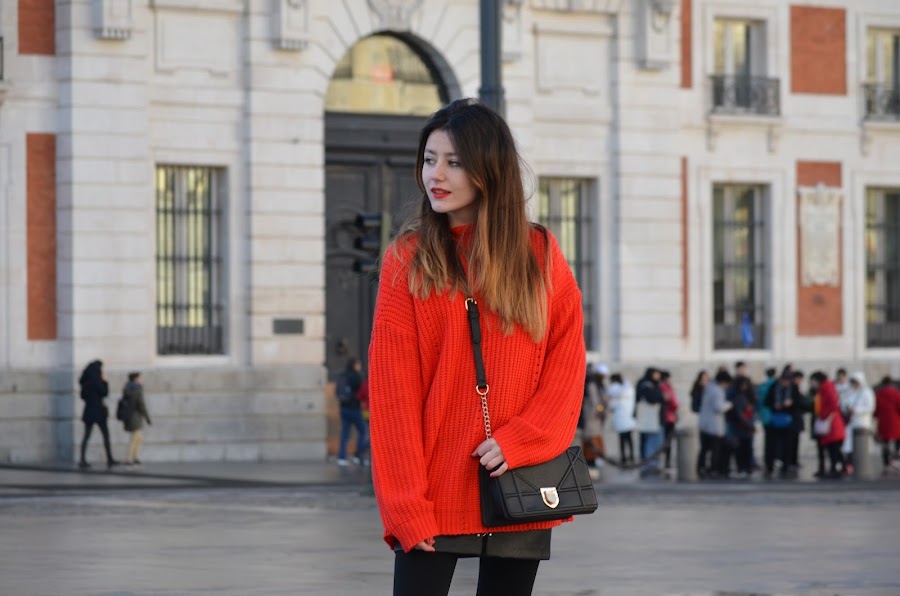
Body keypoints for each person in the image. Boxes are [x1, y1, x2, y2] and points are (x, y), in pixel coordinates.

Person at [367, 98, 587, 596]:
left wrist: (524, 439)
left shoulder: (539, 254)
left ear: (488, 170)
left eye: (454, 162)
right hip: (433, 496)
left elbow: (567, 364)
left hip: (520, 485)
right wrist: (404, 505)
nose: (436, 175)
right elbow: (393, 396)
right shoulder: (407, 260)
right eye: (429, 160)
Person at [78, 360, 118, 469]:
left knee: (86, 436)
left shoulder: (85, 382)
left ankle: (82, 459)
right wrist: (105, 381)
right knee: (105, 435)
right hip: (99, 411)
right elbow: (104, 393)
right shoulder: (97, 381)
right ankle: (109, 458)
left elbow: (82, 396)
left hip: (88, 411)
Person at [810, 371, 846, 479]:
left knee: (833, 448)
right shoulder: (824, 389)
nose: (811, 384)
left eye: (812, 381)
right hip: (829, 422)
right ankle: (836, 468)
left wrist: (824, 416)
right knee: (831, 448)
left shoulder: (827, 388)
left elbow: (833, 405)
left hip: (831, 423)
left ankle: (836, 468)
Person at [697, 370, 732, 478]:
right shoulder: (718, 391)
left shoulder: (708, 388)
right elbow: (719, 407)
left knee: (704, 448)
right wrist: (729, 405)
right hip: (714, 425)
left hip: (704, 424)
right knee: (715, 449)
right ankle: (713, 469)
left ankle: (701, 467)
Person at [840, 372, 875, 474]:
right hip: (851, 423)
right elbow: (844, 404)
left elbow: (870, 407)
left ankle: (860, 464)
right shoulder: (850, 392)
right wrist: (847, 408)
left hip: (862, 423)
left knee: (861, 446)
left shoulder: (867, 392)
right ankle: (849, 464)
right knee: (848, 445)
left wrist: (855, 410)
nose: (854, 385)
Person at [336, 358, 368, 466]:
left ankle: (342, 457)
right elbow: (361, 393)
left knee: (345, 433)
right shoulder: (356, 377)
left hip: (343, 408)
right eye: (358, 364)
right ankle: (357, 455)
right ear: (355, 365)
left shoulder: (343, 376)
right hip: (354, 409)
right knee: (362, 430)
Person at [634, 368, 664, 476]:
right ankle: (649, 464)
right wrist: (662, 396)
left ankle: (651, 463)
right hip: (650, 420)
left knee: (651, 442)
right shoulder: (646, 385)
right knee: (650, 442)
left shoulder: (649, 384)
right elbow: (653, 398)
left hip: (651, 420)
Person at [724, 375, 756, 478]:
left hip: (745, 425)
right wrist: (749, 425)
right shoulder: (738, 396)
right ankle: (743, 468)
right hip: (741, 425)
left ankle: (746, 468)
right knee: (741, 449)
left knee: (746, 448)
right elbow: (739, 414)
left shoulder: (747, 396)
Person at [578, 365, 605, 478]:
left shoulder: (591, 384)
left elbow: (595, 403)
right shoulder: (593, 384)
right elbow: (596, 403)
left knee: (592, 441)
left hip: (589, 418)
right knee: (591, 441)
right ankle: (591, 465)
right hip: (590, 418)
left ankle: (591, 465)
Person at [121, 372, 151, 466]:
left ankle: (134, 457)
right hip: (136, 416)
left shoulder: (127, 388)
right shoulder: (137, 389)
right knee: (135, 437)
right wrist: (147, 417)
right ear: (136, 379)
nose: (141, 380)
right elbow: (141, 404)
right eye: (140, 378)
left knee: (138, 437)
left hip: (129, 416)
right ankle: (129, 458)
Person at [608, 373, 636, 466]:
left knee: (622, 439)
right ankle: (631, 456)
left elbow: (611, 405)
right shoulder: (628, 388)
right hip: (628, 418)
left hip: (619, 419)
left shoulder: (613, 389)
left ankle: (623, 457)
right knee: (629, 438)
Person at [874, 377, 900, 474]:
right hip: (896, 422)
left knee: (885, 443)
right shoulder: (896, 394)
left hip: (883, 423)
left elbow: (875, 410)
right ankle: (896, 460)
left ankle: (886, 464)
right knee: (898, 442)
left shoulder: (879, 394)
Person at [659, 370, 679, 470]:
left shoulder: (664, 387)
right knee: (667, 441)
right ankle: (667, 461)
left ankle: (666, 461)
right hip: (668, 417)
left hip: (669, 416)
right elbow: (672, 402)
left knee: (667, 441)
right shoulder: (665, 387)